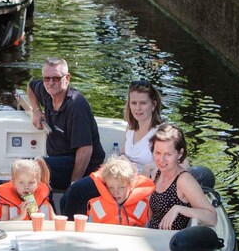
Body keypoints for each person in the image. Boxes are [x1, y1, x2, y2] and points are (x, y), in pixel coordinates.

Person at [62, 79, 163, 217]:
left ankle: (77, 232)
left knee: (77, 193)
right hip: (119, 174)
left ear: (153, 105)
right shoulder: (131, 128)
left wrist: (152, 166)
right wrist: (119, 161)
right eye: (134, 103)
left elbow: (180, 163)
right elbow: (124, 154)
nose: (137, 108)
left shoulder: (160, 133)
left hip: (135, 182)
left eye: (143, 103)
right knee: (68, 194)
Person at [27, 57, 105, 194]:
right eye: (46, 78)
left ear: (67, 78)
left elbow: (85, 149)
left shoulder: (76, 105)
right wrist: (36, 110)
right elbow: (30, 87)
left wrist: (73, 186)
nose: (51, 83)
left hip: (81, 165)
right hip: (58, 160)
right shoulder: (47, 91)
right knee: (25, 168)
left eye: (56, 78)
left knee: (34, 168)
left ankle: (42, 209)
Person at [148, 124, 216, 230]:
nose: (161, 159)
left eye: (168, 154)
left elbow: (212, 218)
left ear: (180, 153)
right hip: (151, 235)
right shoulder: (157, 172)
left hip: (171, 242)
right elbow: (150, 214)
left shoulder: (184, 180)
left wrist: (179, 209)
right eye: (157, 153)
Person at [86, 156, 154, 227]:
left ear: (131, 185)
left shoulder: (141, 206)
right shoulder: (97, 205)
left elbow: (146, 232)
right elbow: (90, 230)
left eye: (121, 187)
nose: (115, 192)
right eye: (110, 187)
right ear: (105, 186)